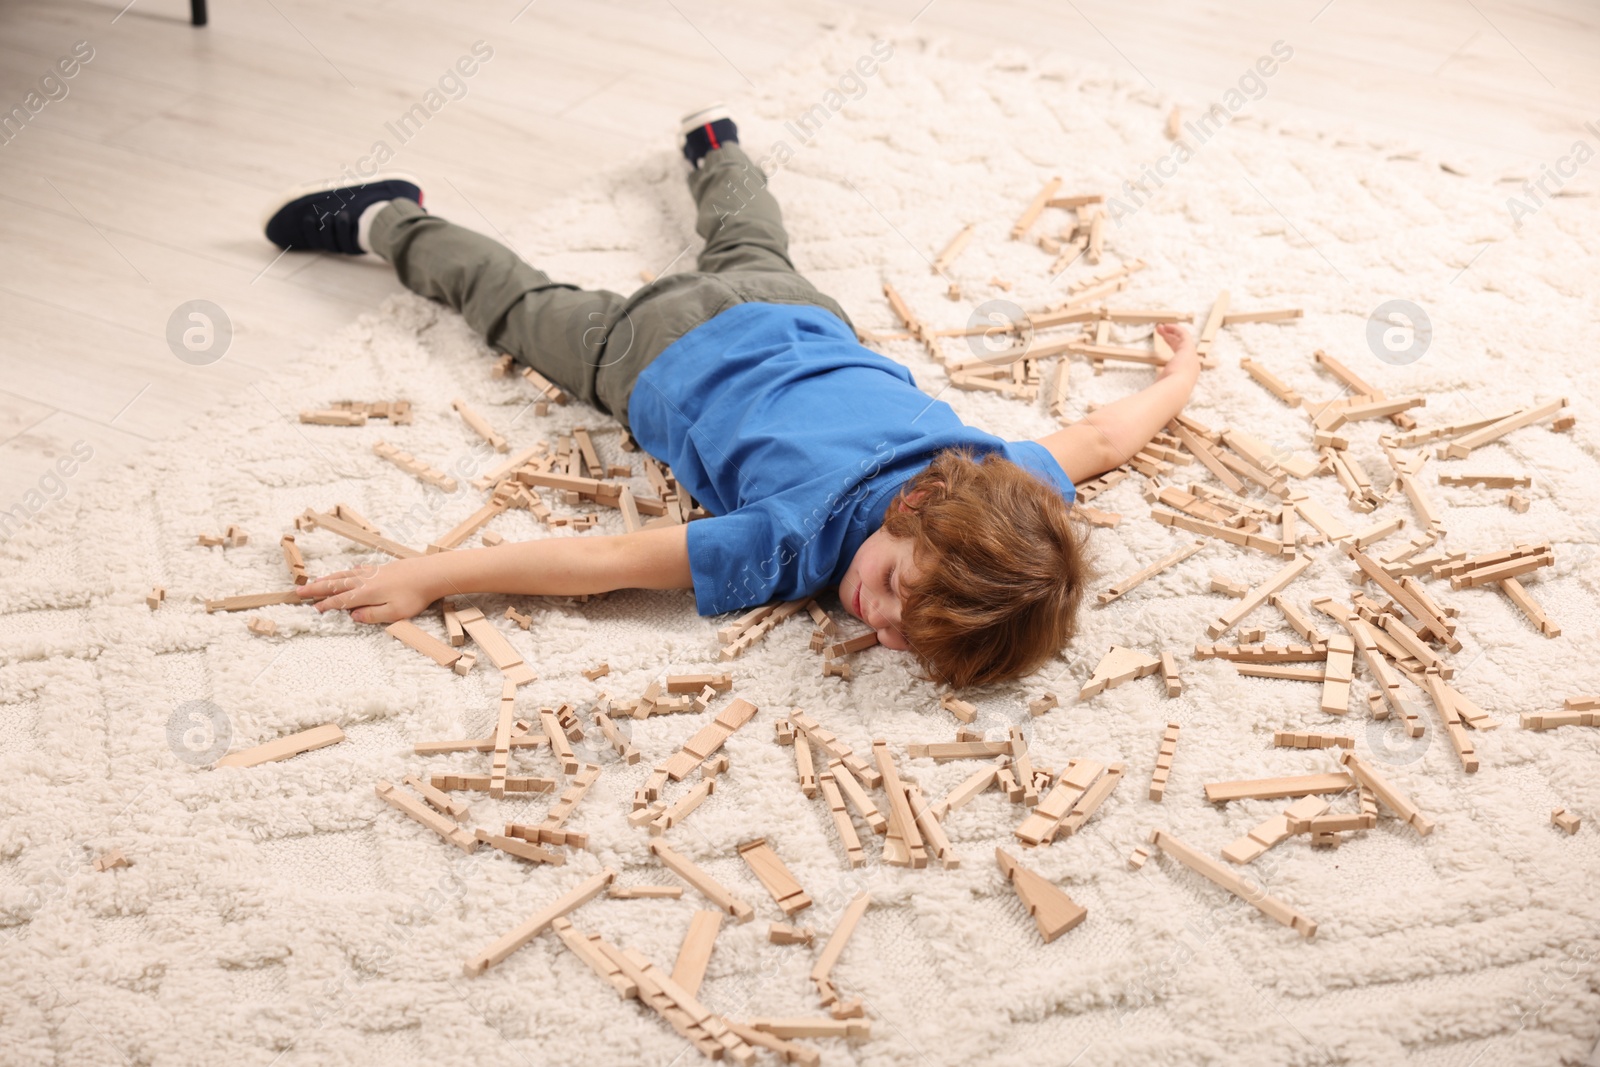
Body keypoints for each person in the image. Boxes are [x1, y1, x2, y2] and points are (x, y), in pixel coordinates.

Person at [263, 107, 1201, 688]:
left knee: (751, 238)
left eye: (902, 639)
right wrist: (432, 573)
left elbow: (1100, 437)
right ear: (911, 510)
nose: (875, 620)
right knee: (513, 304)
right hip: (644, 354)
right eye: (888, 591)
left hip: (792, 314)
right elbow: (607, 563)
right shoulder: (790, 540)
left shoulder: (1005, 481)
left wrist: (1179, 380)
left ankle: (716, 147)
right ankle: (391, 218)